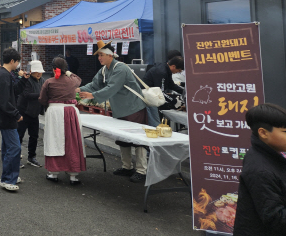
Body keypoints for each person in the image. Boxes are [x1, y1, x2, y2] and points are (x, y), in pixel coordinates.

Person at [78, 41, 148, 183]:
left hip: (134, 108)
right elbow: (93, 84)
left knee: (139, 140)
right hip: (120, 110)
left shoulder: (120, 68)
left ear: (110, 55)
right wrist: (79, 90)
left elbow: (112, 87)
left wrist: (93, 96)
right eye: (98, 55)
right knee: (123, 138)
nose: (99, 58)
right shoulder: (104, 70)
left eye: (102, 55)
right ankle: (127, 167)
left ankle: (142, 170)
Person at [233, 103, 286, 236]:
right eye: (285, 132)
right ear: (263, 133)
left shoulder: (272, 154)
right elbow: (275, 216)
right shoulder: (261, 169)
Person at [39, 57, 86, 184]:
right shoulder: (73, 81)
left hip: (54, 112)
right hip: (71, 112)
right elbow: (79, 79)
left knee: (54, 140)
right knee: (72, 142)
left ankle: (53, 173)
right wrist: (69, 73)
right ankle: (73, 175)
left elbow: (42, 99)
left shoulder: (49, 82)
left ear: (53, 69)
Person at [0, 48, 23, 192]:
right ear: (12, 61)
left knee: (7, 147)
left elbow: (13, 92)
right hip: (7, 117)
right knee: (14, 147)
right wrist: (16, 114)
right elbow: (4, 100)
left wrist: (23, 79)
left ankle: (9, 175)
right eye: (17, 62)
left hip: (3, 117)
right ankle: (7, 178)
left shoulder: (5, 74)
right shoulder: (4, 75)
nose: (18, 65)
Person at [142, 56, 185, 126]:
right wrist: (175, 101)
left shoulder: (167, 69)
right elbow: (160, 92)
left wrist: (185, 92)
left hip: (153, 96)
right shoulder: (161, 72)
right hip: (148, 98)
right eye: (179, 70)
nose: (178, 72)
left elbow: (171, 85)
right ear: (173, 66)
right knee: (155, 123)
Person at [18, 59, 45, 168]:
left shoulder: (43, 80)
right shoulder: (27, 80)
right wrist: (41, 95)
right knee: (19, 135)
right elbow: (26, 94)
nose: (39, 74)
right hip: (24, 111)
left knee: (34, 135)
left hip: (35, 112)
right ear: (32, 71)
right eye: (36, 71)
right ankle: (16, 157)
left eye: (40, 71)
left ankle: (31, 157)